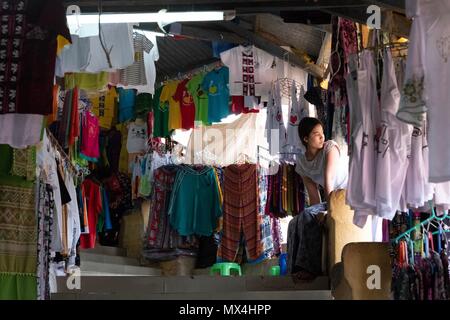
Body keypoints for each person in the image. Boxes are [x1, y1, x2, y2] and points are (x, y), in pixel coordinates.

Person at [287, 117, 348, 280]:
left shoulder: (330, 148)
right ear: (306, 139)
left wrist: (330, 211)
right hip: (331, 196)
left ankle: (310, 269)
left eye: (322, 133)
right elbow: (313, 195)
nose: (322, 137)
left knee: (308, 215)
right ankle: (294, 269)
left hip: (346, 195)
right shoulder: (301, 163)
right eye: (316, 134)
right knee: (297, 221)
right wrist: (317, 215)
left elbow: (328, 181)